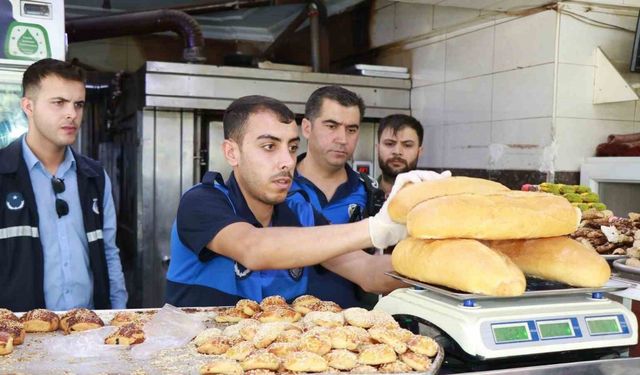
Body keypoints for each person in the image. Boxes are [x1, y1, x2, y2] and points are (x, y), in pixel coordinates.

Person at [165, 95, 444, 307]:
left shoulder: (300, 212)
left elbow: (368, 272)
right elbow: (254, 248)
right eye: (269, 147)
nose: (287, 161)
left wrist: (437, 262)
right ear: (232, 153)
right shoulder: (203, 202)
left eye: (292, 147)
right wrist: (376, 229)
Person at [0, 58, 128, 311]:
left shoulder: (94, 176)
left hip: (86, 330)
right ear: (28, 106)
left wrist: (117, 315)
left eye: (78, 104)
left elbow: (109, 253)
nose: (72, 114)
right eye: (59, 103)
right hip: (20, 338)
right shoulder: (4, 173)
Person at [290, 85, 388, 308]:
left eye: (351, 129)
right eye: (331, 126)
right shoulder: (278, 188)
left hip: (351, 332)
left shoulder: (369, 192)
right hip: (283, 326)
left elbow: (373, 267)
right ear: (306, 127)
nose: (342, 139)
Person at [377, 114, 424, 198]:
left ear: (419, 152)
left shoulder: (430, 201)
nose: (397, 152)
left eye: (407, 145)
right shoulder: (360, 197)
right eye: (389, 144)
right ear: (377, 148)